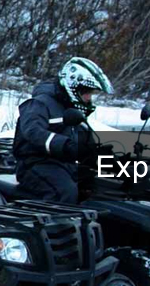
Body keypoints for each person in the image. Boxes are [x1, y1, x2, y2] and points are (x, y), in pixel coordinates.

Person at [13, 57, 113, 203]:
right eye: (87, 93)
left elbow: (83, 144)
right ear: (74, 87)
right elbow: (34, 133)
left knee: (100, 185)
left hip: (65, 165)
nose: (89, 99)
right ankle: (59, 225)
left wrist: (108, 160)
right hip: (36, 164)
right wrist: (67, 146)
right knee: (64, 192)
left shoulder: (71, 108)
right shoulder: (38, 104)